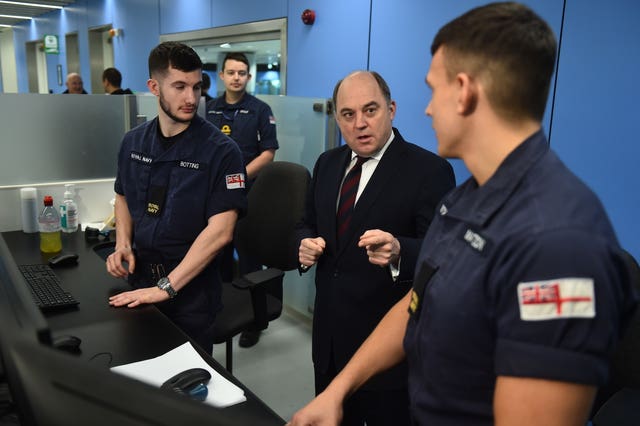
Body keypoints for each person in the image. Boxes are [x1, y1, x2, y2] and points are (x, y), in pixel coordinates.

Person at [289, 3, 638, 426]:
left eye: (433, 90)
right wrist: (341, 388)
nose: (428, 109)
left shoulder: (561, 241)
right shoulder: (467, 199)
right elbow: (418, 301)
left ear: (466, 91)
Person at [296, 70, 455, 426]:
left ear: (392, 109)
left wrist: (400, 250)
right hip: (328, 342)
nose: (360, 124)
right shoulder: (327, 163)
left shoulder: (429, 170)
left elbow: (444, 256)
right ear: (337, 118)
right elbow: (305, 224)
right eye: (348, 115)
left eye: (371, 110)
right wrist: (302, 246)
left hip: (388, 351)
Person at [105, 41, 247, 353]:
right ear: (154, 87)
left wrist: (166, 288)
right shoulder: (132, 143)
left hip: (191, 292)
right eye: (179, 86)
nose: (191, 98)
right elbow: (123, 196)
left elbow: (221, 232)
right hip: (139, 278)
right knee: (138, 369)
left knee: (187, 390)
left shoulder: (222, 151)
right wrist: (123, 244)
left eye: (196, 87)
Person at [205, 52, 279, 348]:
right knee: (218, 253)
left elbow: (268, 153)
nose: (237, 77)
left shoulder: (261, 110)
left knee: (248, 257)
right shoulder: (208, 109)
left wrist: (236, 179)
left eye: (242, 73)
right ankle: (221, 309)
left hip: (250, 195)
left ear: (248, 77)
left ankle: (254, 321)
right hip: (215, 198)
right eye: (231, 72)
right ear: (221, 75)